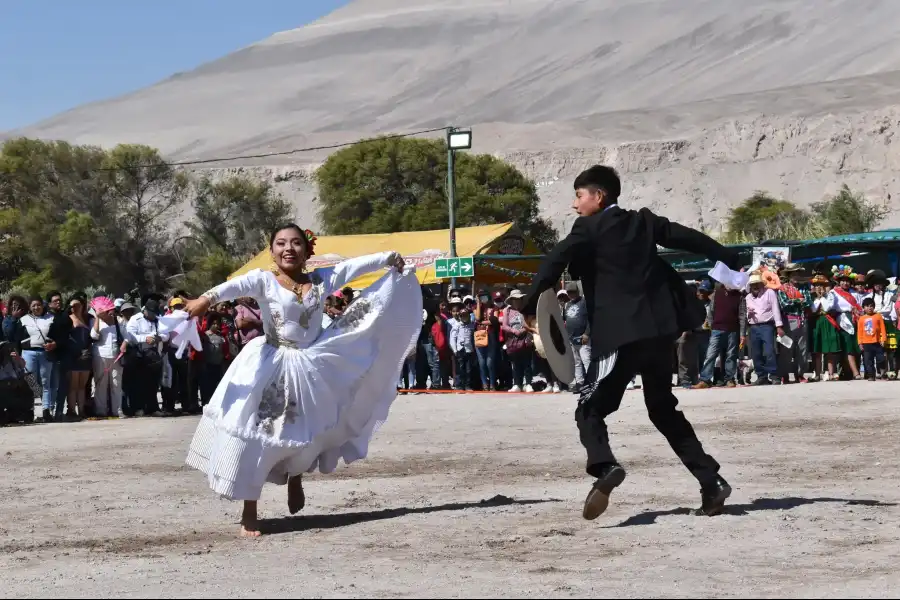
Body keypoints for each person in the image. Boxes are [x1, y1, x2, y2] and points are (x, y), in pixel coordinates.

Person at [521, 165, 740, 521]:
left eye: (579, 195)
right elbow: (687, 237)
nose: (575, 205)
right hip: (660, 333)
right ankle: (711, 481)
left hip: (619, 338)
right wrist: (726, 255)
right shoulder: (643, 221)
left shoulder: (588, 228)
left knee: (589, 408)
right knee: (662, 409)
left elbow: (554, 259)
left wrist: (529, 305)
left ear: (599, 196)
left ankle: (605, 466)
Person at [182, 224, 421, 537]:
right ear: (271, 251)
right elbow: (230, 288)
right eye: (280, 243)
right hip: (271, 363)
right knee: (258, 433)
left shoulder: (322, 280)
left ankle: (295, 476)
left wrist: (388, 258)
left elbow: (353, 266)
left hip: (311, 366)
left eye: (296, 243)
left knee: (305, 429)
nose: (288, 249)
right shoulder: (263, 281)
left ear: (308, 251)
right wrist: (205, 299)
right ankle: (249, 510)